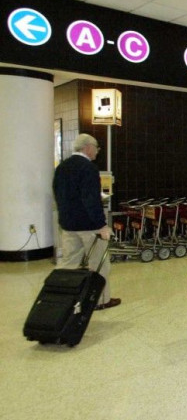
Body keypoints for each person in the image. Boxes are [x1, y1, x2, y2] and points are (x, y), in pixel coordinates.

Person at [53, 133, 120, 311]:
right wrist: (102, 225)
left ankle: (63, 298)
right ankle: (100, 300)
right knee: (99, 263)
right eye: (96, 148)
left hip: (67, 225)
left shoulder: (62, 167)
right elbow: (91, 199)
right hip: (89, 226)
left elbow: (59, 195)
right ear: (88, 147)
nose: (97, 152)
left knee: (69, 263)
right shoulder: (88, 168)